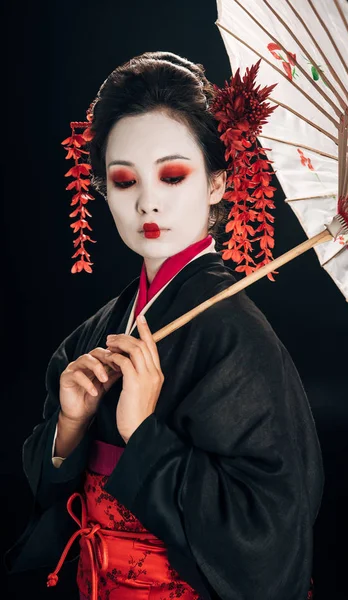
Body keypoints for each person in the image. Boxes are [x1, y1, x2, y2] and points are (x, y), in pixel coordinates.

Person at [5, 51, 324, 600]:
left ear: (219, 183)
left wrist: (144, 433)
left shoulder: (239, 340)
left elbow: (269, 533)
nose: (148, 203)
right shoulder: (93, 337)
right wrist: (71, 427)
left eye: (173, 175)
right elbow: (51, 490)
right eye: (124, 182)